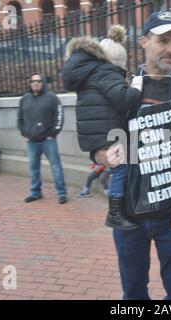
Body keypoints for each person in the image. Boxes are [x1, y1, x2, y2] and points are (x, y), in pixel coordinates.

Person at [94, 11, 171, 300]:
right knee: (133, 292)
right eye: (163, 40)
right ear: (143, 42)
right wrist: (102, 155)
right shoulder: (121, 89)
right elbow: (97, 138)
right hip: (128, 215)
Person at [62, 25, 143, 230]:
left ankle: (118, 208)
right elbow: (124, 100)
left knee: (117, 166)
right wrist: (136, 86)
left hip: (96, 131)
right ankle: (115, 212)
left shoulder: (90, 74)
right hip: (105, 131)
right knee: (121, 167)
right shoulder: (107, 72)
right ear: (118, 64)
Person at [17, 72, 68, 204]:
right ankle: (35, 192)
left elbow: (59, 117)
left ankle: (62, 194)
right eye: (33, 81)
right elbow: (20, 118)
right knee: (33, 168)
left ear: (43, 83)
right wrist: (24, 132)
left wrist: (53, 134)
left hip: (48, 140)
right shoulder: (24, 99)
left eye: (39, 81)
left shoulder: (52, 98)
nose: (36, 83)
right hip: (32, 141)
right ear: (30, 84)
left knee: (56, 167)